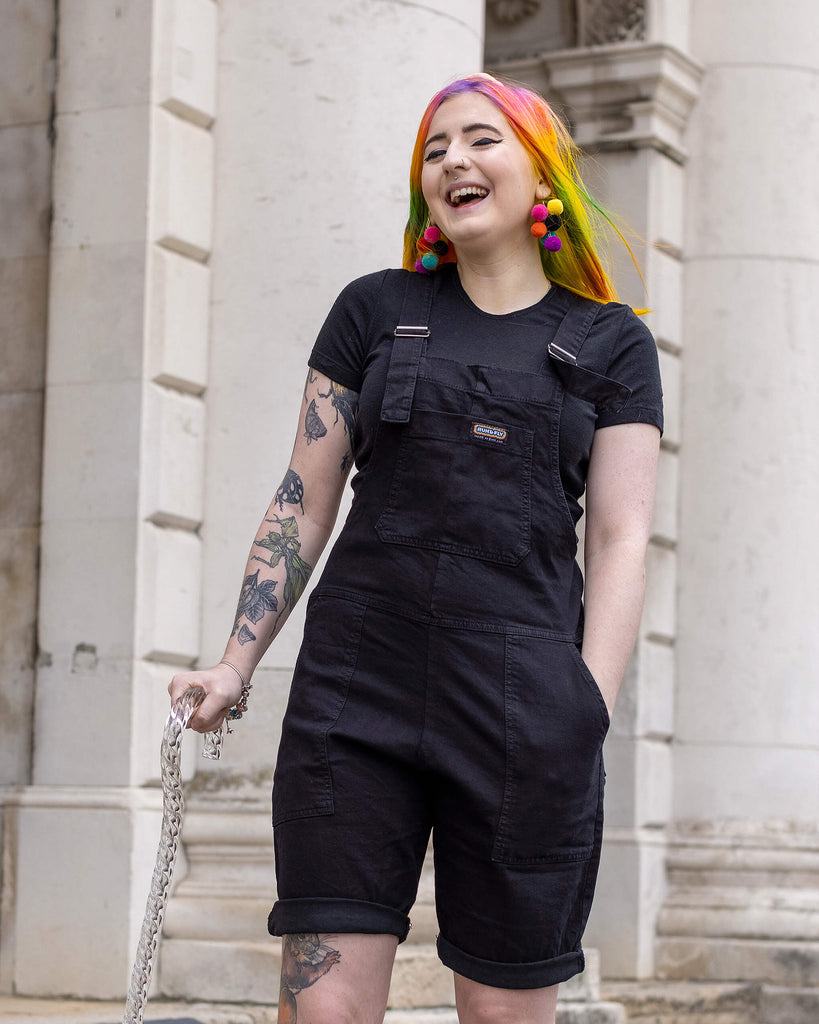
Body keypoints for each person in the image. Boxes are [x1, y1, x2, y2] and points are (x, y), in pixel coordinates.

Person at [170, 72, 663, 1024]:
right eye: (435, 150)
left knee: (501, 1014)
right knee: (326, 1010)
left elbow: (619, 537)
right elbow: (301, 500)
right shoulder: (372, 310)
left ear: (542, 175)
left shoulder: (611, 345)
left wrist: (584, 709)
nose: (452, 162)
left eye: (480, 140)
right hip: (358, 692)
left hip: (524, 706)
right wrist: (235, 663)